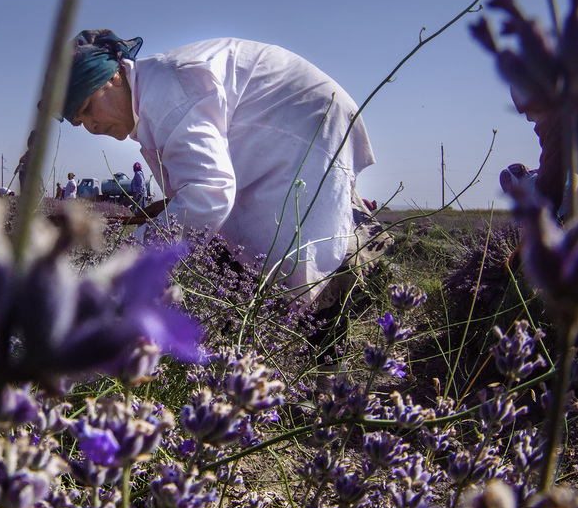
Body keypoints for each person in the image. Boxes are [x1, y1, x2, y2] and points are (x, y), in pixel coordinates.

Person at [60, 29, 381, 304]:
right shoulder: (151, 92)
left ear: (114, 75)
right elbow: (194, 187)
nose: (91, 126)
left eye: (88, 108)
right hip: (296, 120)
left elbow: (208, 194)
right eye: (80, 122)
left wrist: (129, 254)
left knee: (289, 264)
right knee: (273, 239)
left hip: (304, 121)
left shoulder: (167, 98)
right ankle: (361, 249)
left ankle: (362, 275)